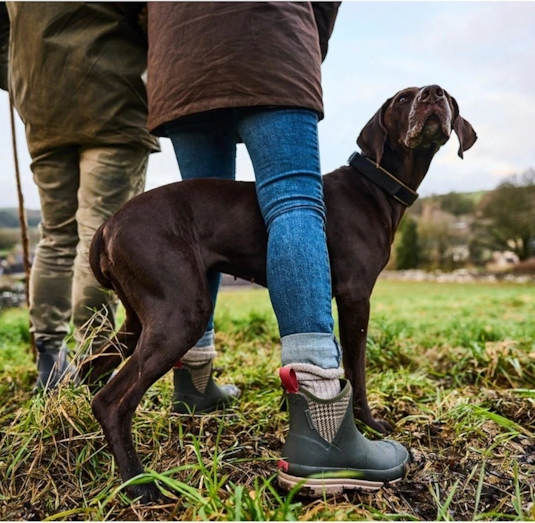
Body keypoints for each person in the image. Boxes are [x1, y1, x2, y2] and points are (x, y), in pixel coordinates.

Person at [145, 2, 410, 490]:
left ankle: (195, 384)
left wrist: (165, 36)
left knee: (202, 229)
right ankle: (322, 426)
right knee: (293, 203)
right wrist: (306, 42)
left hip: (181, 59)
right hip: (268, 42)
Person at [0, 3, 159, 390]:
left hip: (41, 102)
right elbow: (151, 17)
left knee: (55, 236)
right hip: (113, 94)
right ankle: (96, 362)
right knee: (102, 238)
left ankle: (50, 359)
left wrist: (21, 75)